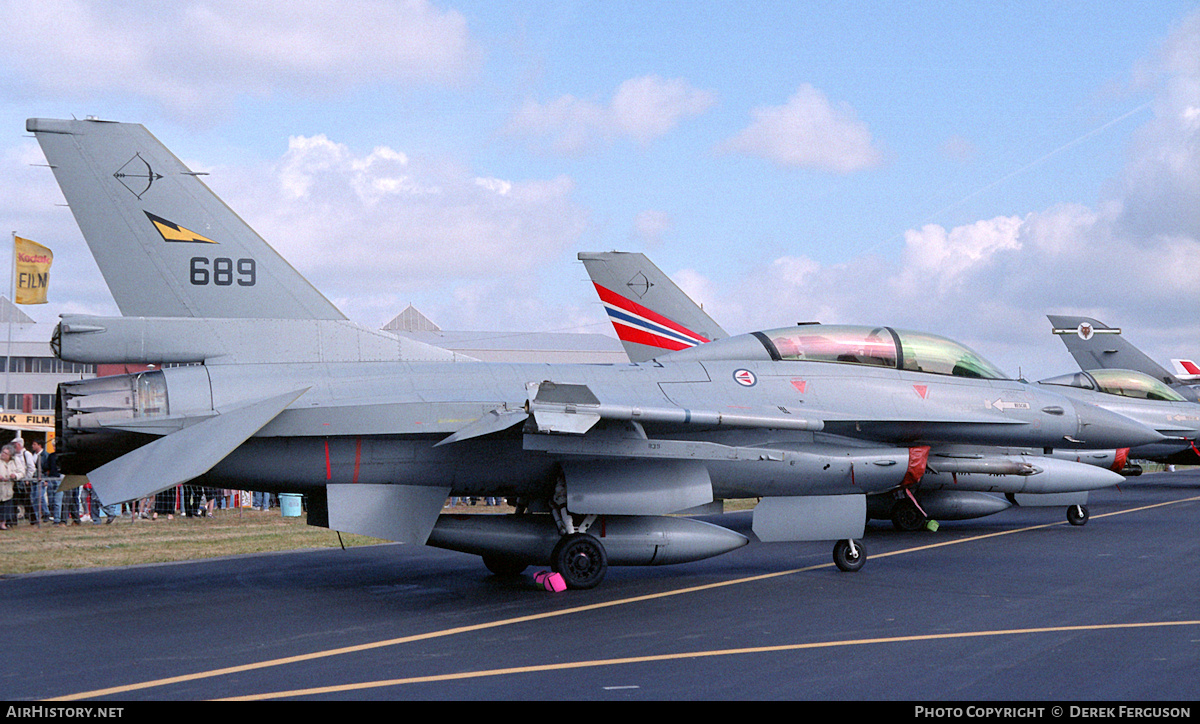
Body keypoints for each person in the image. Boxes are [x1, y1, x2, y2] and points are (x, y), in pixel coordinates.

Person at [0, 444, 19, 530]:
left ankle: (3, 524)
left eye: (6, 453)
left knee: (6, 507)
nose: (3, 454)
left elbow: (21, 471)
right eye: (3, 452)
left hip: (8, 488)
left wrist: (15, 475)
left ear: (10, 455)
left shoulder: (14, 462)